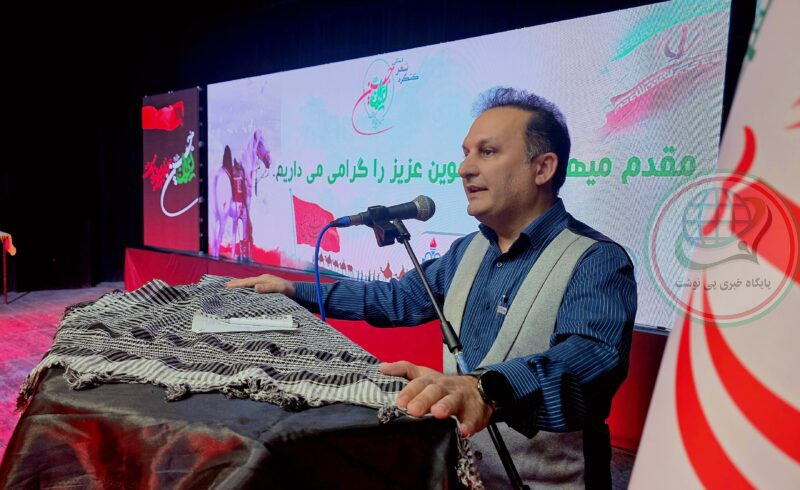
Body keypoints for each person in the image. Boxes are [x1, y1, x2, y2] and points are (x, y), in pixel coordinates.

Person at [226, 87, 636, 489]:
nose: (464, 169)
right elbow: (395, 300)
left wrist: (486, 389)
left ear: (543, 168)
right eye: (466, 153)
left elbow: (590, 359)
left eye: (487, 152)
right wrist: (294, 292)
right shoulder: (466, 251)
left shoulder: (596, 259)